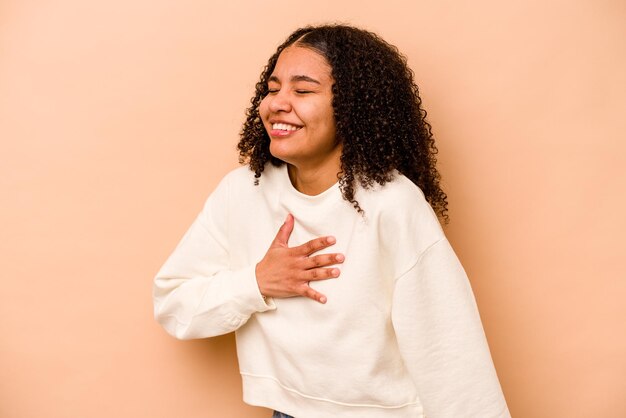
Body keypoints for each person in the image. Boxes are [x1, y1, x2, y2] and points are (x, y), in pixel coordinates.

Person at [153, 24, 511, 418]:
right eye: (273, 89)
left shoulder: (392, 204)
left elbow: (450, 352)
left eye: (302, 90)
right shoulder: (243, 191)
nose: (276, 104)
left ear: (354, 106)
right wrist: (257, 282)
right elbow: (173, 302)